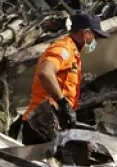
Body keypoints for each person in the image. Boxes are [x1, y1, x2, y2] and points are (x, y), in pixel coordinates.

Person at [21, 12, 108, 145]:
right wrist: (63, 103)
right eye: (94, 37)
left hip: (51, 122)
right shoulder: (63, 50)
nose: (94, 42)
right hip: (40, 123)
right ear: (85, 33)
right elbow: (45, 73)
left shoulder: (73, 53)